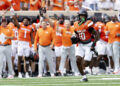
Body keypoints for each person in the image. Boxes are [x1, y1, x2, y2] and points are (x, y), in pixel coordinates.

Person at [73, 9, 99, 81]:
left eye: (83, 16)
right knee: (78, 60)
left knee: (85, 63)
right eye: (81, 16)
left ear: (86, 16)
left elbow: (96, 35)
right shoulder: (75, 24)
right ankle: (84, 76)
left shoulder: (88, 23)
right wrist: (75, 38)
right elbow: (76, 33)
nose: (82, 17)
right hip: (81, 44)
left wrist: (93, 45)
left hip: (88, 44)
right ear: (78, 16)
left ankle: (88, 67)